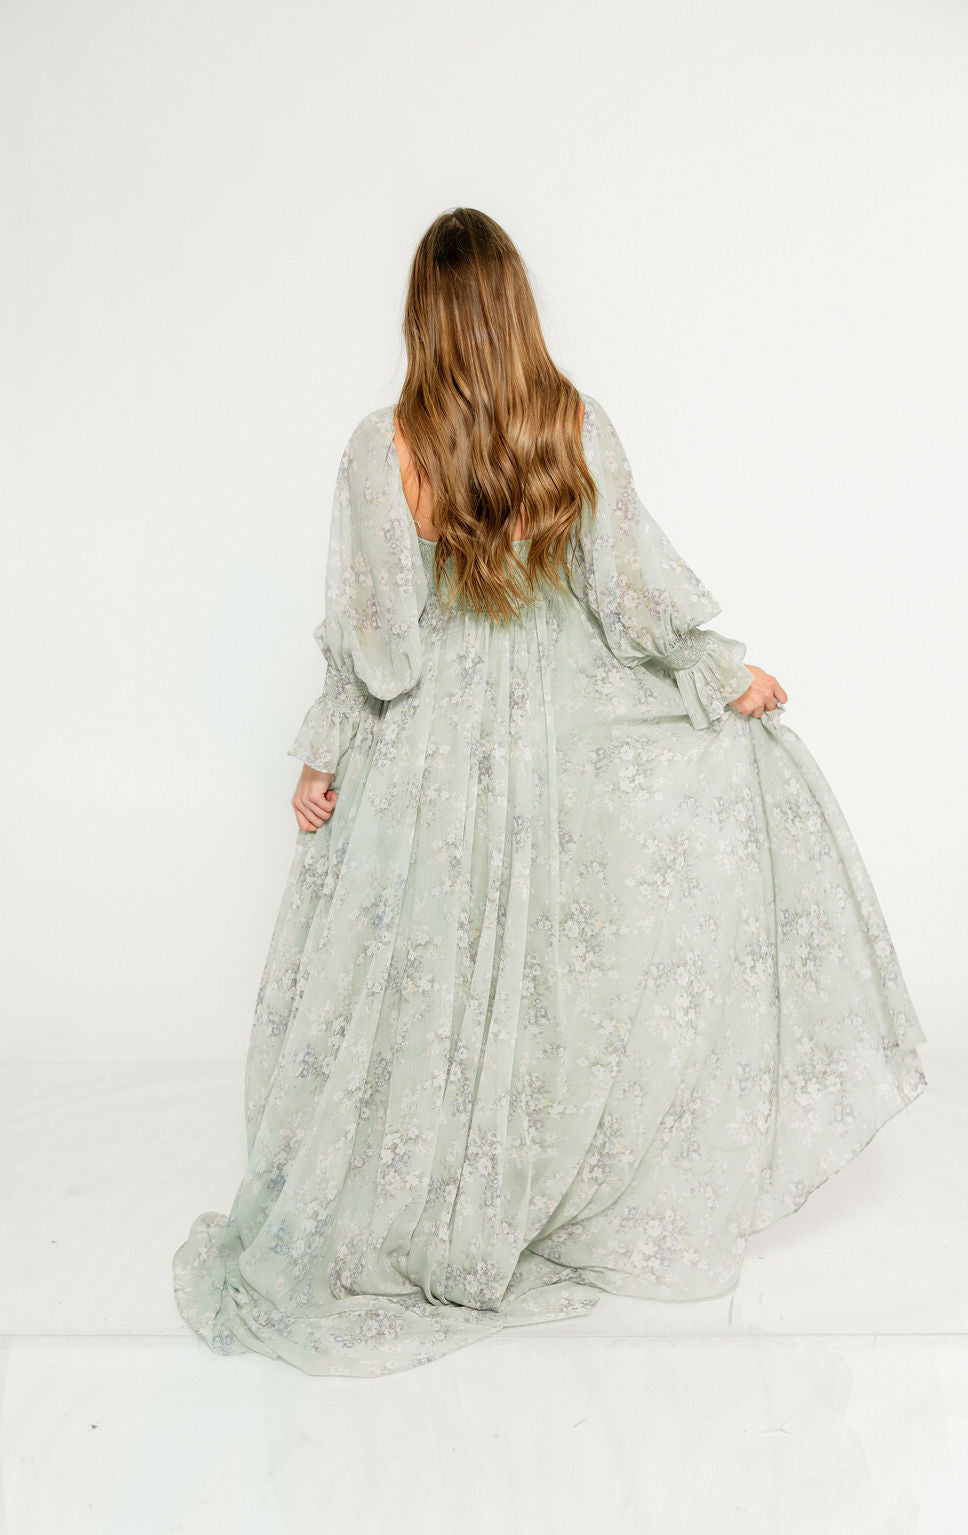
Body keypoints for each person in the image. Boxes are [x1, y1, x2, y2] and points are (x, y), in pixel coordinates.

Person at [172, 207, 928, 1378]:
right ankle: (518, 1190)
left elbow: (380, 645)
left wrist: (324, 757)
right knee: (540, 972)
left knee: (425, 972)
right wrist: (716, 675)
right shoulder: (571, 424)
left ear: (423, 315)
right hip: (552, 739)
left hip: (430, 751)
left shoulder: (387, 448)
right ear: (517, 306)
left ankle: (427, 1197)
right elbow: (627, 598)